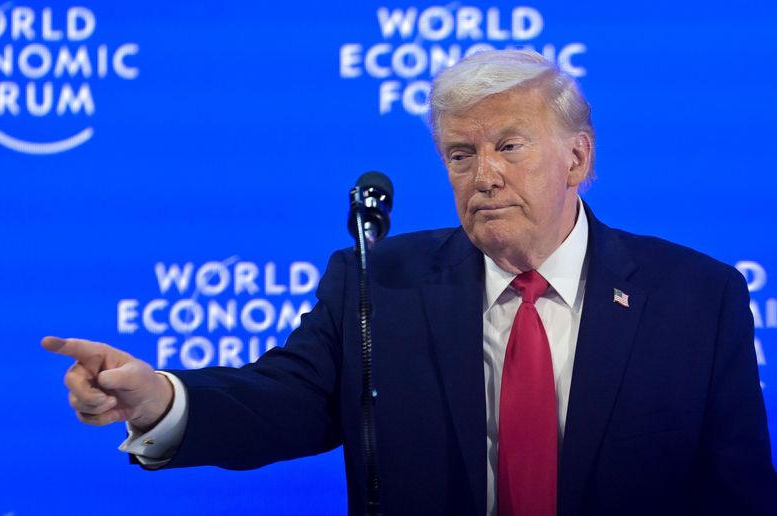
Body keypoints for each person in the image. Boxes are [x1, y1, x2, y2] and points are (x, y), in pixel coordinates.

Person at [43, 50, 777, 515]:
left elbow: (738, 492)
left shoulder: (693, 296)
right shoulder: (376, 284)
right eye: (459, 153)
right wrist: (160, 398)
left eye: (508, 146)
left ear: (577, 158)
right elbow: (282, 401)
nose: (482, 174)